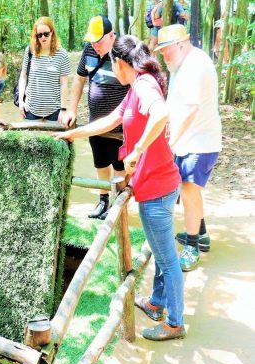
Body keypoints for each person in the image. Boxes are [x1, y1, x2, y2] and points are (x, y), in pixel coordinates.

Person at [57, 35, 185, 341]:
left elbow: (161, 114)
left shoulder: (143, 86)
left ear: (119, 63)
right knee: (160, 252)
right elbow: (110, 121)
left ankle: (175, 323)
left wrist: (137, 149)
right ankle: (157, 302)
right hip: (152, 185)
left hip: (157, 187)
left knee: (167, 258)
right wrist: (73, 134)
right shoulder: (135, 87)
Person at [155, 24, 222, 272]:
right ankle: (200, 233)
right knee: (188, 190)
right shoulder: (181, 64)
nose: (163, 55)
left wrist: (170, 143)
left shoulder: (195, 65)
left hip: (200, 141)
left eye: (166, 50)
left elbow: (192, 109)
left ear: (181, 44)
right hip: (188, 141)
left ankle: (192, 246)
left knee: (188, 189)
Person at [62, 15, 129, 220]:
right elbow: (80, 79)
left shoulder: (124, 52)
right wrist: (71, 109)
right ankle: (103, 201)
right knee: (100, 163)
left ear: (111, 36)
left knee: (120, 167)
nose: (95, 45)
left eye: (98, 41)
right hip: (96, 124)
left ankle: (119, 205)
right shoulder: (89, 50)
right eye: (92, 41)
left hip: (120, 127)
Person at [17, 17, 71, 122]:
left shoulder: (62, 54)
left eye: (46, 34)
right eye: (39, 35)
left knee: (55, 138)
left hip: (54, 110)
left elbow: (64, 83)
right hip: (30, 109)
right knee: (30, 138)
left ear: (52, 33)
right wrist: (20, 101)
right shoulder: (30, 51)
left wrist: (63, 109)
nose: (43, 37)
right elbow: (23, 77)